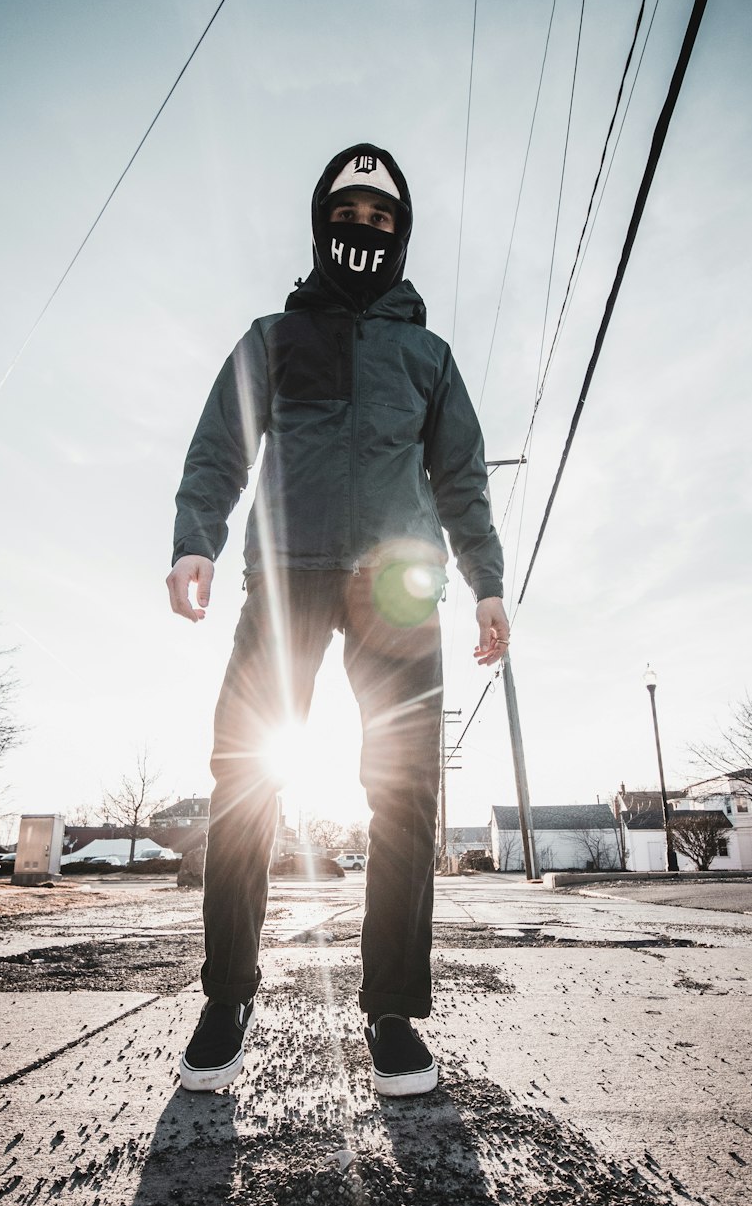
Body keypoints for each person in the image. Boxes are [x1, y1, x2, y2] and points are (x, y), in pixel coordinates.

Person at [166, 143, 508, 1097]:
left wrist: (485, 579)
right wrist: (198, 536)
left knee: (401, 793)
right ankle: (228, 994)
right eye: (349, 215)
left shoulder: (428, 357)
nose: (364, 231)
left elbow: (463, 479)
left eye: (382, 220)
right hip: (284, 575)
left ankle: (392, 1011)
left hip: (399, 586)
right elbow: (219, 445)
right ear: (323, 224)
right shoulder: (274, 336)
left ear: (403, 238)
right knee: (244, 777)